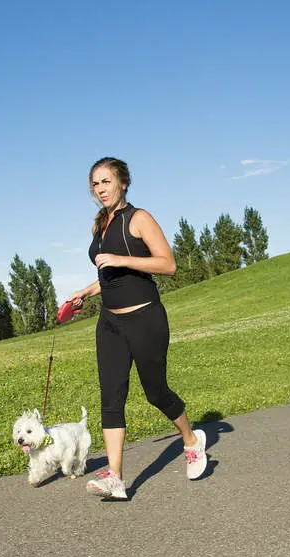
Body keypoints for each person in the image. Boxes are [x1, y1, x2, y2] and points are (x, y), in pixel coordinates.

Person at [66, 157, 207, 500]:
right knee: (111, 397)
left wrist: (121, 259)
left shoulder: (139, 218)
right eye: (95, 184)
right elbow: (109, 274)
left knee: (155, 392)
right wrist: (87, 290)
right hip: (110, 323)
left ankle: (191, 440)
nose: (100, 189)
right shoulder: (100, 225)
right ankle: (115, 477)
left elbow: (167, 264)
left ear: (123, 182)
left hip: (145, 318)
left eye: (105, 181)